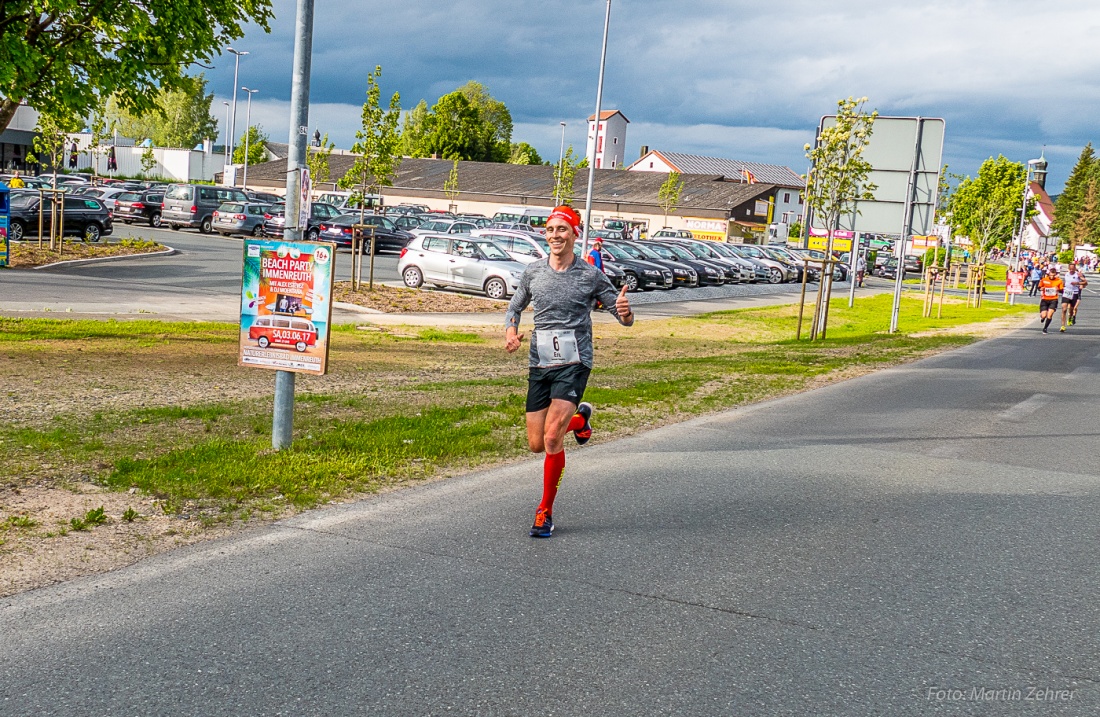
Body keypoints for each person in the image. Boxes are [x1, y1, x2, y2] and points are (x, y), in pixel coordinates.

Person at [505, 205, 634, 538]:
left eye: (562, 229)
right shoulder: (533, 272)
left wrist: (625, 312)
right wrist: (510, 331)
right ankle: (580, 421)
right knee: (536, 443)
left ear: (575, 234)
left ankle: (544, 511)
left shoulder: (590, 274)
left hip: (575, 363)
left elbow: (622, 317)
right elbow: (514, 306)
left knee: (551, 438)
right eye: (550, 230)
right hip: (540, 363)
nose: (555, 235)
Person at [1061, 262, 1087, 330]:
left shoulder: (1078, 274)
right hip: (1066, 293)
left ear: (1075, 268)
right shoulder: (1066, 274)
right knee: (1064, 309)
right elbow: (1064, 282)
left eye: (1073, 269)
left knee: (1071, 310)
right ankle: (1063, 326)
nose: (1071, 270)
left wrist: (1077, 283)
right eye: (1070, 269)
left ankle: (1070, 318)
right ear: (1068, 268)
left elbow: (1085, 282)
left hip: (1074, 293)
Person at [1037, 265, 1063, 334]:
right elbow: (1039, 287)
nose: (1052, 277)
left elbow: (1062, 291)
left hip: (1053, 299)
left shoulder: (1059, 281)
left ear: (1055, 275)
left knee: (1050, 314)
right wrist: (1041, 289)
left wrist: (1059, 289)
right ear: (1048, 274)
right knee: (1044, 315)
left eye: (1053, 275)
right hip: (1045, 299)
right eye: (1050, 275)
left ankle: (1045, 328)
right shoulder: (1044, 280)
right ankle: (1042, 318)